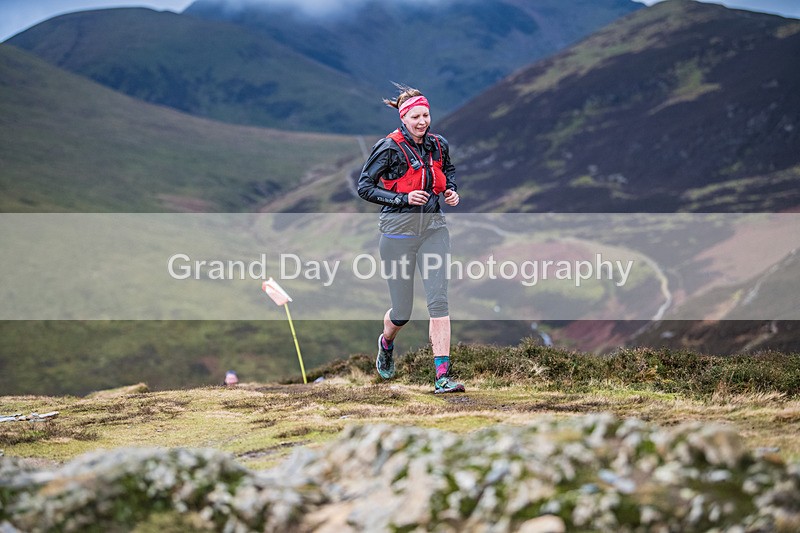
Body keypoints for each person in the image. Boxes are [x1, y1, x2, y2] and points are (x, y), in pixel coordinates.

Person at [358, 83, 465, 394]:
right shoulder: (388, 148)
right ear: (403, 118)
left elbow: (449, 170)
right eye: (416, 116)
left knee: (439, 302)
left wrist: (450, 190)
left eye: (426, 115)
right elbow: (365, 187)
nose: (423, 122)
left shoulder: (438, 144)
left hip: (434, 231)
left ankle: (442, 378)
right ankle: (386, 342)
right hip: (396, 235)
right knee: (402, 312)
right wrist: (403, 198)